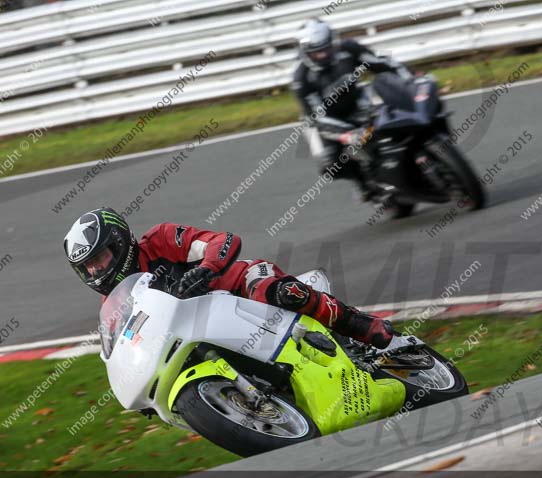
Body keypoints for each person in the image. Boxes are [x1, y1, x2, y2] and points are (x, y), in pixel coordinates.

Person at [63, 207, 395, 348]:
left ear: (119, 243)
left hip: (239, 285)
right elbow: (129, 349)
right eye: (88, 267)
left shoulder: (160, 240)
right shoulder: (116, 305)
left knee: (281, 292)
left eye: (100, 258)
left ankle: (362, 325)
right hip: (203, 334)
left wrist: (205, 269)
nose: (96, 270)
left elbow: (223, 241)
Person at [291, 18, 414, 199]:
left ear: (333, 41)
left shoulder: (348, 49)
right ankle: (362, 183)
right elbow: (316, 117)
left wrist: (410, 79)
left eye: (327, 49)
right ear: (306, 53)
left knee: (392, 118)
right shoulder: (301, 79)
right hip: (324, 121)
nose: (324, 55)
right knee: (330, 163)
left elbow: (382, 63)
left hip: (357, 102)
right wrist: (348, 134)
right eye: (318, 53)